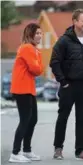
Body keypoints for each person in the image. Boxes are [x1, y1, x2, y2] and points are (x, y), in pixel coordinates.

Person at [50, 9, 83, 160]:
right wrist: (63, 81)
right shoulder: (64, 41)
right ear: (75, 22)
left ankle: (80, 150)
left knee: (82, 119)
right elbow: (54, 62)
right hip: (69, 86)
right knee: (63, 117)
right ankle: (58, 149)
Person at [9, 23, 44, 163]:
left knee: (32, 119)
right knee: (25, 120)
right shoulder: (27, 48)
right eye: (37, 33)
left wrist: (38, 63)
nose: (40, 36)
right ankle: (15, 153)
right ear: (29, 35)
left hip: (29, 89)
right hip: (22, 89)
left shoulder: (34, 50)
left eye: (41, 33)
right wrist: (38, 64)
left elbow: (39, 69)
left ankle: (27, 150)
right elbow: (36, 69)